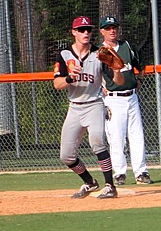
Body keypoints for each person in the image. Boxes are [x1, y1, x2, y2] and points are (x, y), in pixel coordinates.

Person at [53, 15, 125, 199]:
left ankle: (110, 186)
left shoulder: (101, 53)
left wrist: (116, 70)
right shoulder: (64, 54)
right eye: (81, 30)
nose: (86, 33)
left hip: (94, 105)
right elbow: (57, 84)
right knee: (66, 156)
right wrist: (70, 78)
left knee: (97, 143)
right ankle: (89, 182)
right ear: (74, 32)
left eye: (88, 30)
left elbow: (119, 81)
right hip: (74, 107)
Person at [99, 15, 153, 185]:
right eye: (108, 28)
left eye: (114, 27)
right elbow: (94, 75)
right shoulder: (99, 52)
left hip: (131, 97)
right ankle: (119, 173)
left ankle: (141, 172)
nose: (112, 30)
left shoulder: (127, 46)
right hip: (113, 99)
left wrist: (140, 81)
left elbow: (141, 66)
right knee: (116, 137)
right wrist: (99, 88)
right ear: (102, 31)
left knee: (137, 135)